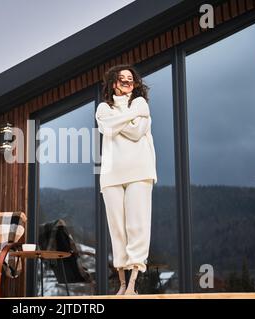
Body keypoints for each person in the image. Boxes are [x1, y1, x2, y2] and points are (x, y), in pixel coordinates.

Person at [95, 64, 157, 295]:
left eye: (130, 80)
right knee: (117, 230)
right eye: (122, 80)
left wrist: (122, 118)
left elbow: (135, 133)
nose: (127, 83)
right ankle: (121, 284)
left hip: (140, 171)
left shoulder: (142, 104)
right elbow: (107, 129)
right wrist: (131, 114)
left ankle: (133, 285)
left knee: (137, 226)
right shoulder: (104, 108)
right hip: (111, 175)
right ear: (113, 84)